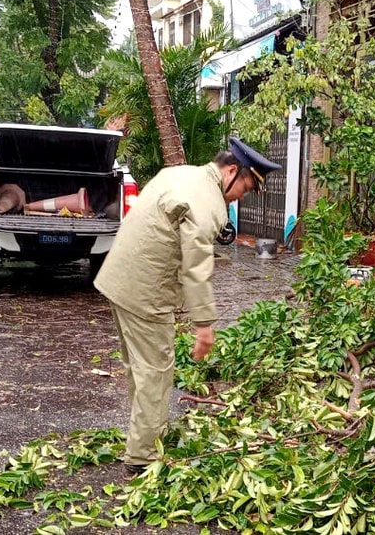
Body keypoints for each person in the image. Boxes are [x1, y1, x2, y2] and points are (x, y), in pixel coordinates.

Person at [94, 139, 281, 476]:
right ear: (230, 171)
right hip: (144, 292)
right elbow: (196, 267)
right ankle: (143, 457)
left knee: (141, 367)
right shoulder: (206, 203)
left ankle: (146, 436)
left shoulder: (184, 174)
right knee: (156, 370)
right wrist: (205, 325)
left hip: (119, 280)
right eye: (246, 188)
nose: (242, 197)